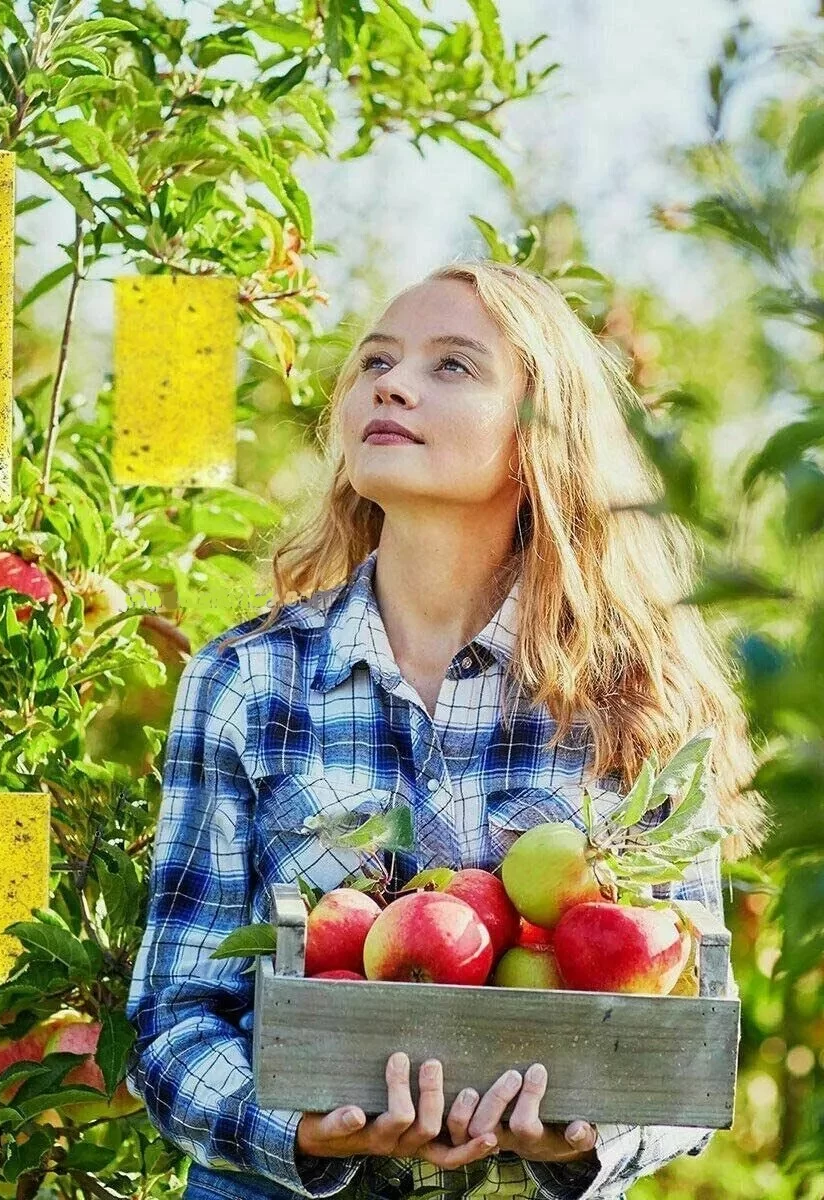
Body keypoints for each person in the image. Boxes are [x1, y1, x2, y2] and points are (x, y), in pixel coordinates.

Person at [124, 259, 768, 1200]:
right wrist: (299, 1130)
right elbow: (175, 1012)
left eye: (452, 366)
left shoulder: (635, 693)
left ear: (541, 433)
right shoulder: (250, 677)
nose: (392, 382)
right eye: (375, 361)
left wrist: (589, 1136)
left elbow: (689, 1030)